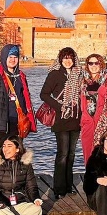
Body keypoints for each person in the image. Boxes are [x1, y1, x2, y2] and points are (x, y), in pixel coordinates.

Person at [40, 48, 83, 198]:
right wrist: (60, 106)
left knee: (71, 154)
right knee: (62, 154)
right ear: (60, 59)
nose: (67, 61)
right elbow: (43, 94)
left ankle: (68, 185)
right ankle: (59, 188)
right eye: (64, 58)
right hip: (61, 119)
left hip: (76, 119)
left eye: (70, 58)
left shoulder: (79, 74)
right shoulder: (55, 74)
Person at [0, 44, 36, 150]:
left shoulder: (21, 76)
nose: (13, 60)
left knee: (15, 155)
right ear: (4, 57)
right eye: (10, 57)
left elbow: (25, 98)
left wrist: (27, 115)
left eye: (15, 57)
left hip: (17, 123)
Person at [80, 53, 107, 159]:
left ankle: (105, 175)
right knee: (88, 155)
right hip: (88, 122)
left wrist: (100, 88)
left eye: (96, 63)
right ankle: (90, 175)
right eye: (90, 63)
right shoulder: (82, 80)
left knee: (104, 154)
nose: (93, 66)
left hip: (103, 122)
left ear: (101, 64)